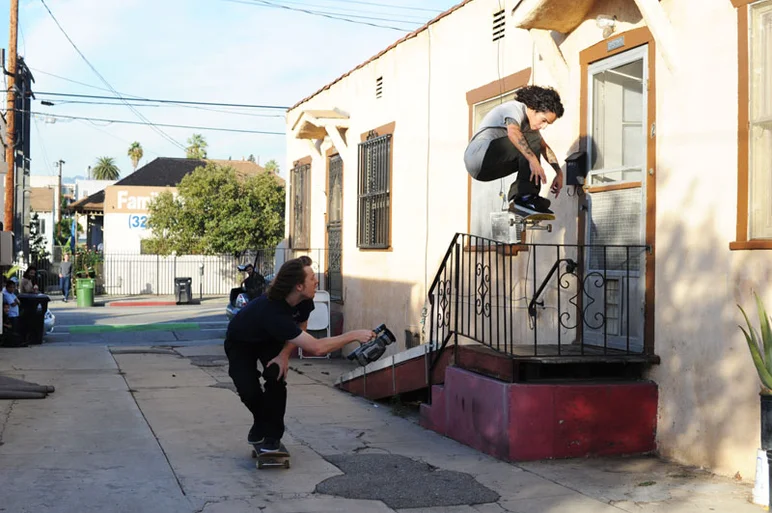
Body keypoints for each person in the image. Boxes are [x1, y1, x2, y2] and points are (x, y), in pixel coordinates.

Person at [224, 257, 375, 454]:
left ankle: (272, 437)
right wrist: (354, 335)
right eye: (312, 278)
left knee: (276, 377)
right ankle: (261, 422)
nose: (317, 281)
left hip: (271, 339)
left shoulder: (304, 299)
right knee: (248, 390)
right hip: (240, 342)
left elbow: (302, 324)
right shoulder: (273, 312)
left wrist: (284, 354)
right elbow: (317, 348)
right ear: (298, 285)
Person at [464, 85, 565, 215]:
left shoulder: (530, 129)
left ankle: (519, 198)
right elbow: (513, 132)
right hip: (478, 155)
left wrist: (559, 173)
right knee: (529, 145)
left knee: (532, 145)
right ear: (534, 109)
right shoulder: (514, 108)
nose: (543, 126)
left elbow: (545, 148)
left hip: (484, 172)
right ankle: (525, 197)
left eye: (547, 124)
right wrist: (533, 160)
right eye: (543, 120)